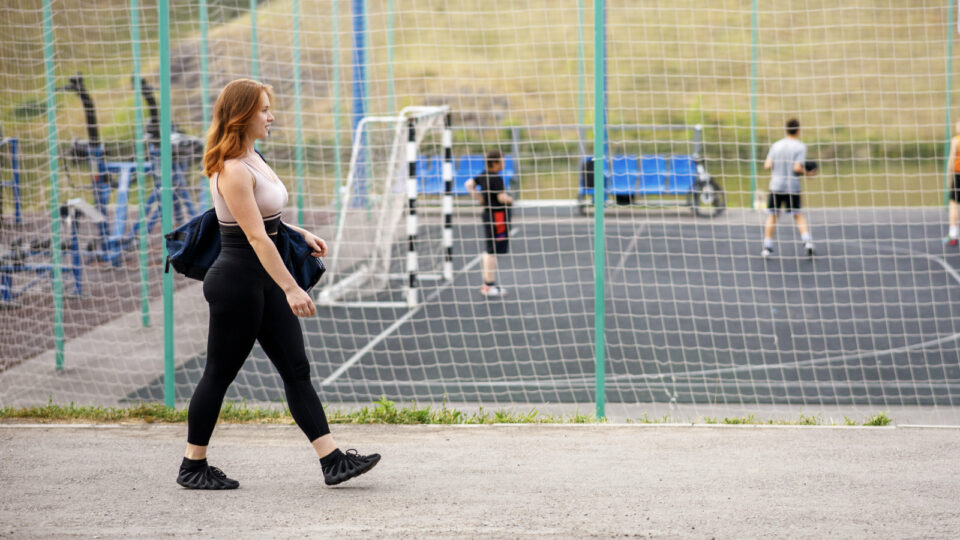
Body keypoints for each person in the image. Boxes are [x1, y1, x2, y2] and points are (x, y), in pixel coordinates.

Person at [177, 79, 379, 490]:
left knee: (296, 369)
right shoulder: (232, 169)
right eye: (264, 110)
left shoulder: (253, 157)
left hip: (263, 278)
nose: (272, 117)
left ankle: (332, 460)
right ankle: (192, 465)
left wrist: (298, 231)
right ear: (242, 115)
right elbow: (253, 237)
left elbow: (266, 220)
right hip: (237, 282)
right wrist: (291, 287)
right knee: (218, 373)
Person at [761, 118, 817, 259]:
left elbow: (767, 165)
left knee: (773, 215)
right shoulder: (800, 147)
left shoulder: (776, 145)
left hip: (776, 185)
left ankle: (767, 246)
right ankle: (807, 242)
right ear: (798, 130)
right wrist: (808, 173)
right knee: (797, 215)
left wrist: (778, 166)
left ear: (786, 130)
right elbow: (797, 167)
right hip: (792, 186)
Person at [465, 150, 513, 297]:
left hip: (489, 214)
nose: (504, 163)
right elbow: (501, 198)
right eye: (502, 160)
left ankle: (488, 284)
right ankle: (488, 285)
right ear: (494, 162)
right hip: (497, 216)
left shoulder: (483, 175)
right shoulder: (495, 178)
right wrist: (511, 200)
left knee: (491, 250)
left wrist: (480, 199)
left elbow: (469, 184)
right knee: (492, 251)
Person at [945, 121, 960, 247]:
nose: (956, 125)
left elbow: (951, 160)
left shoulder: (956, 140)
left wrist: (948, 178)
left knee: (953, 204)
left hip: (958, 175)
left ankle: (953, 235)